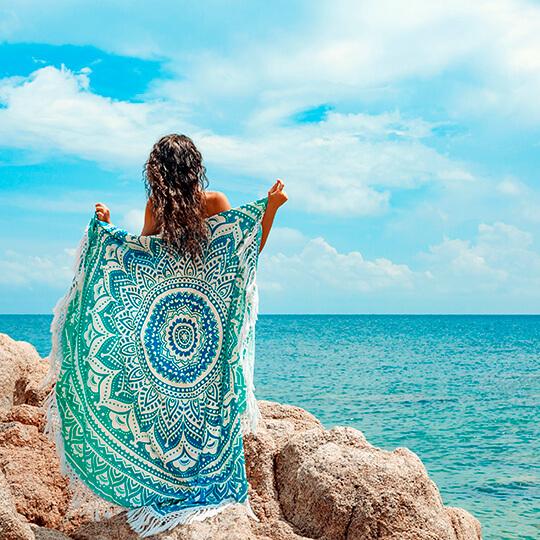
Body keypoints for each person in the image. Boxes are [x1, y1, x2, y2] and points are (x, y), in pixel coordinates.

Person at [94, 133, 287, 255]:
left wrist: (110, 228)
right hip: (207, 306)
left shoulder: (162, 205)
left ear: (157, 173)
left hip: (173, 309)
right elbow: (245, 254)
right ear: (194, 167)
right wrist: (272, 207)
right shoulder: (162, 205)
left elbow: (137, 255)